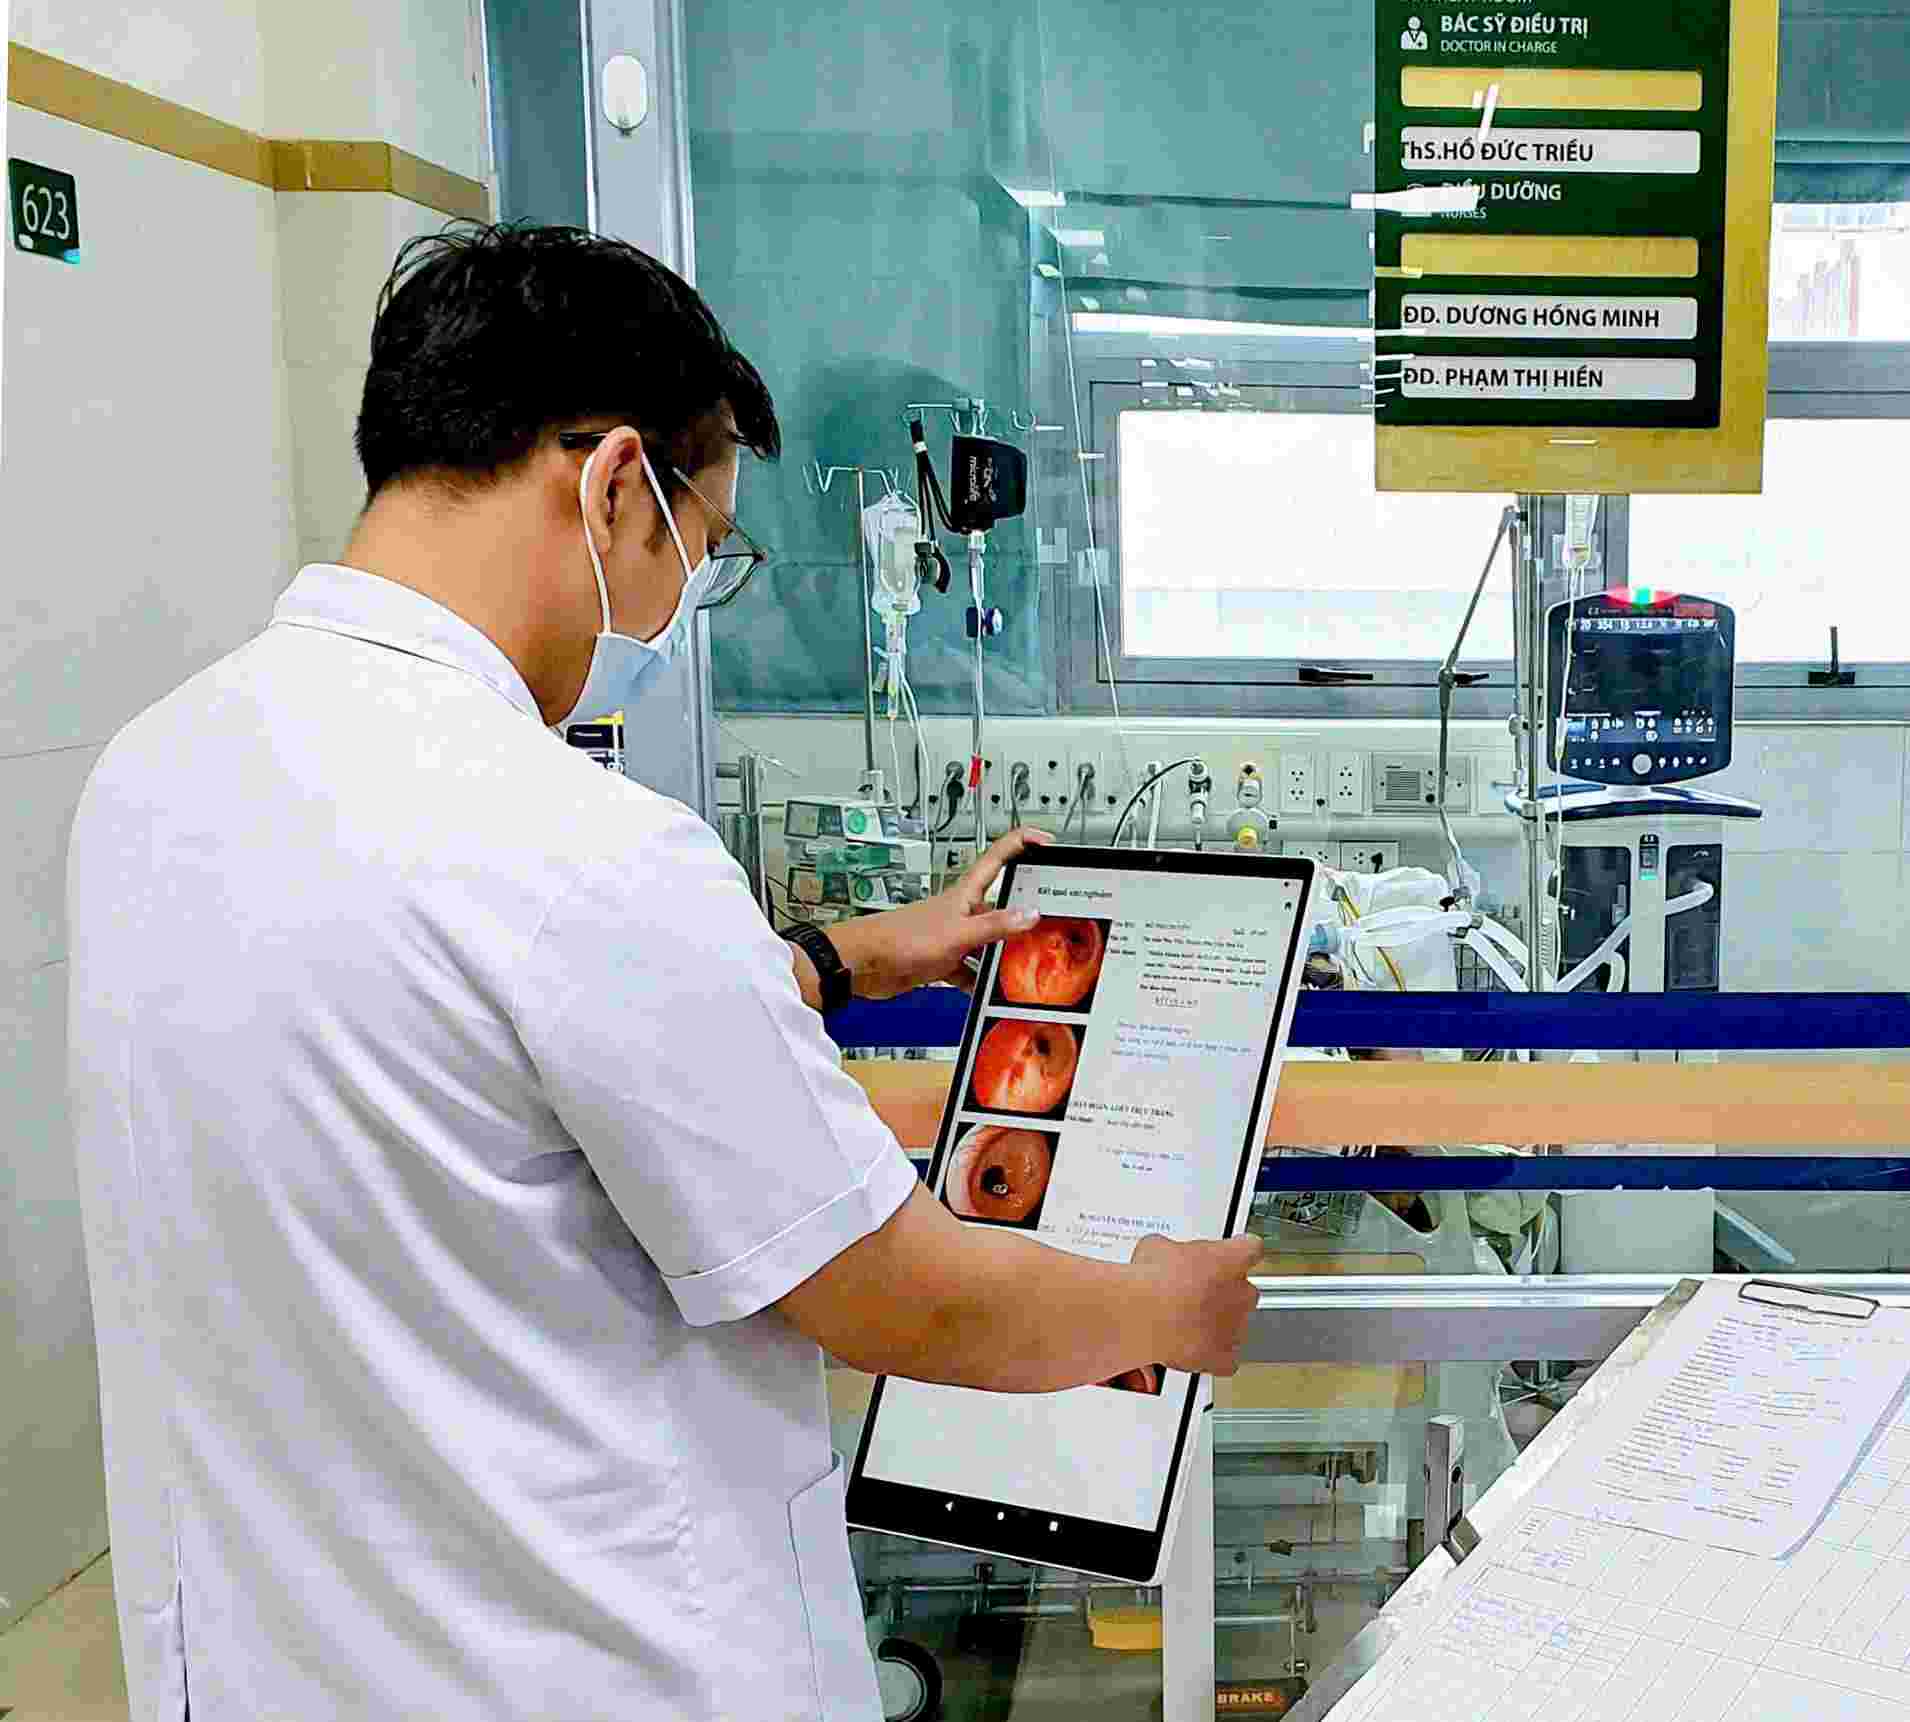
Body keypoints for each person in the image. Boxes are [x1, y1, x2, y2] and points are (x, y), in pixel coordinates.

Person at [64, 222, 1265, 1721]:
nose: (685, 598)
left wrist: (848, 954)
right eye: (705, 550)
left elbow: (467, 1049)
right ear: (616, 483)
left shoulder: (149, 783)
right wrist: (1160, 1309)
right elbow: (906, 1297)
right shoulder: (582, 847)